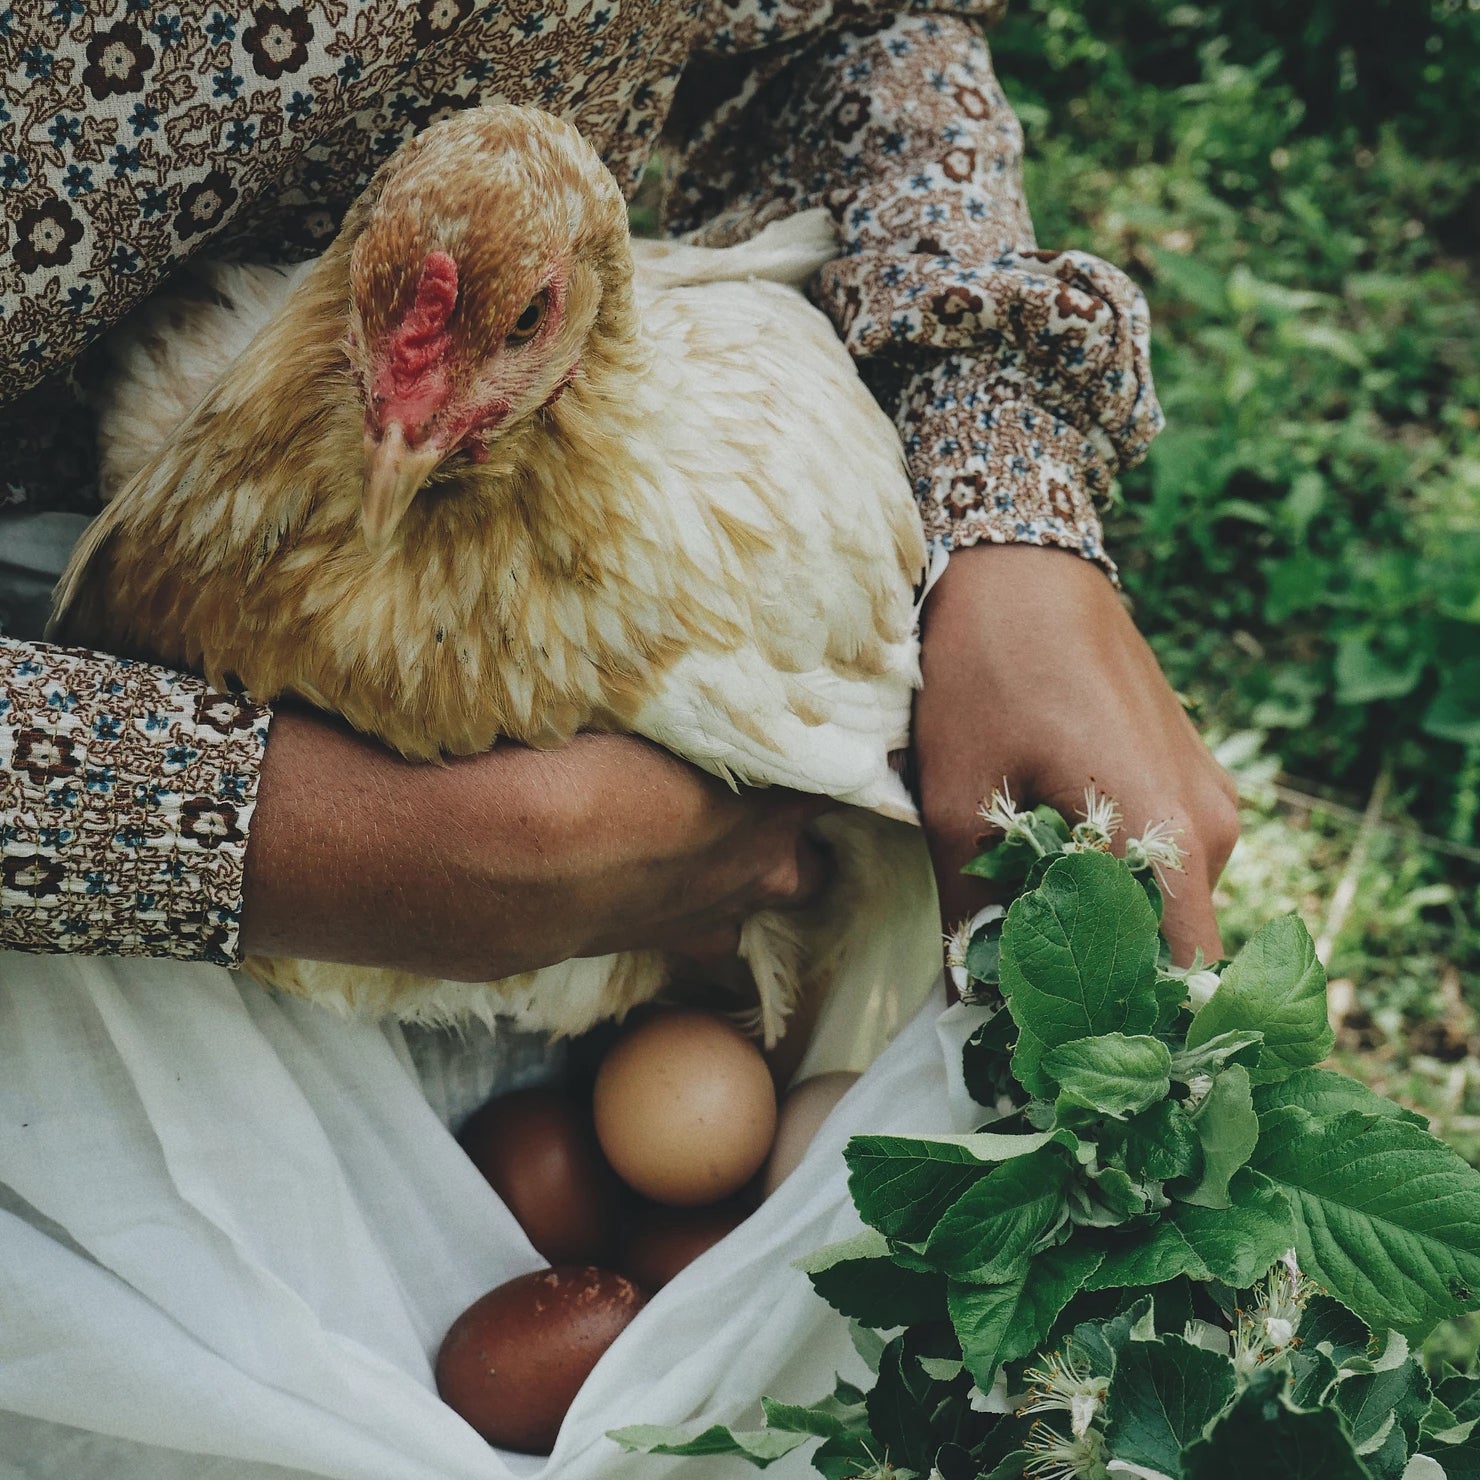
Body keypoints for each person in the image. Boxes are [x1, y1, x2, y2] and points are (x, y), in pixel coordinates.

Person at [0, 1, 1237, 986]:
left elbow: (837, 31)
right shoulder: (200, 425)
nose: (402, 439)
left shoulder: (733, 542)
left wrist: (999, 489)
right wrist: (212, 832)